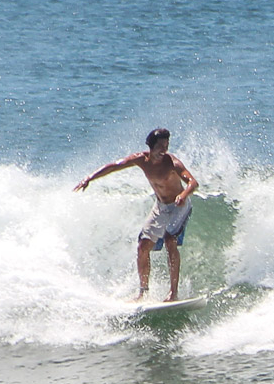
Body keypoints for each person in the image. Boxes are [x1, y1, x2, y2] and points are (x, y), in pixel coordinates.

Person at [74, 128, 198, 301]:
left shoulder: (172, 163)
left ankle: (173, 293)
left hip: (180, 206)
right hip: (161, 207)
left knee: (170, 240)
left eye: (166, 145)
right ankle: (143, 293)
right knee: (142, 246)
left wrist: (183, 195)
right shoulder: (141, 160)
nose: (164, 149)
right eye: (160, 146)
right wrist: (89, 178)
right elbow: (114, 166)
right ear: (151, 146)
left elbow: (193, 182)